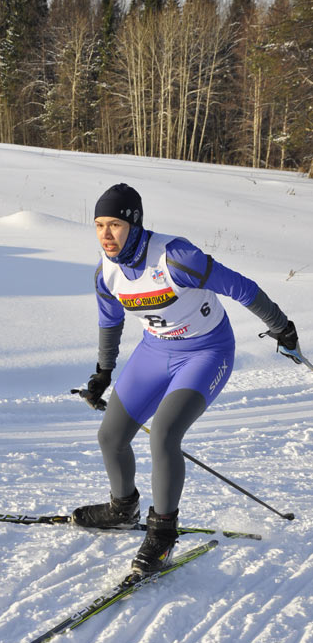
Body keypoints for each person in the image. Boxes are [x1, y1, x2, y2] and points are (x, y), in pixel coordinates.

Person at [72, 183, 299, 576]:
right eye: (98, 225)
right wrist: (103, 372)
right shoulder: (106, 273)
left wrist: (281, 326)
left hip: (206, 352)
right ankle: (122, 509)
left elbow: (242, 288)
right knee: (111, 436)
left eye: (115, 224)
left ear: (135, 223)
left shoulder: (177, 258)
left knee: (163, 434)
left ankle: (162, 536)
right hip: (155, 351)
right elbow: (110, 322)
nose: (106, 235)